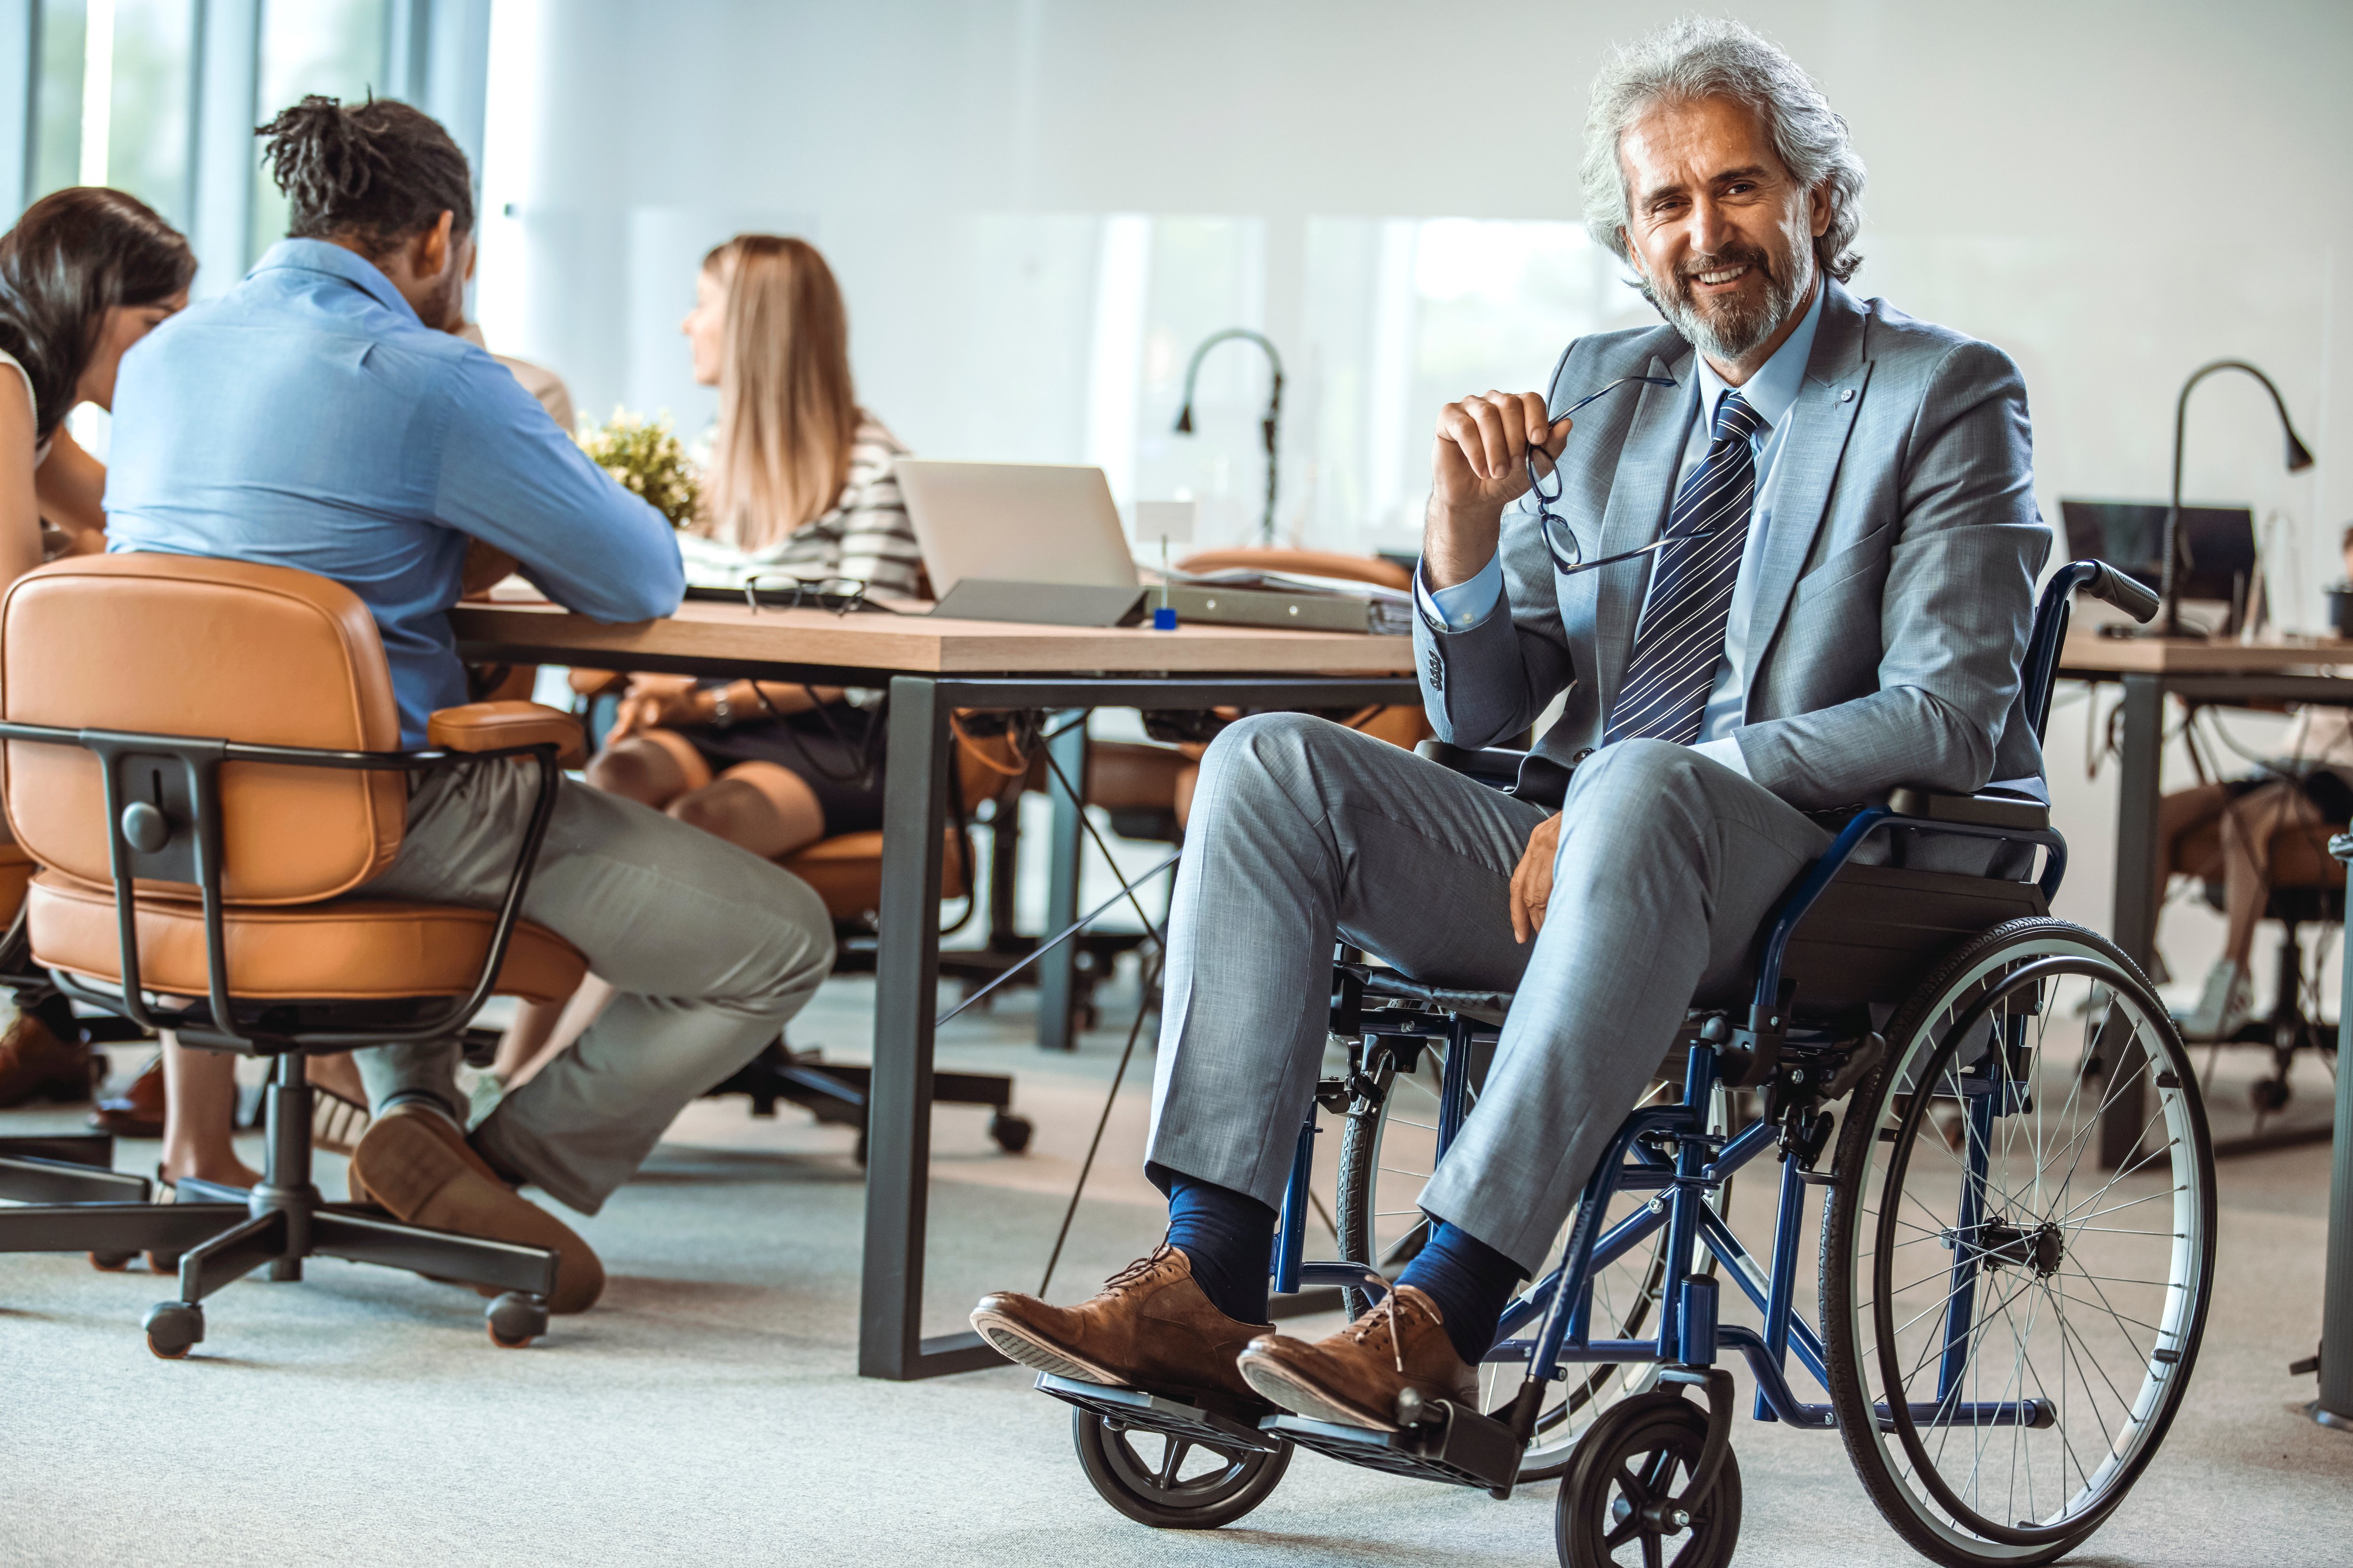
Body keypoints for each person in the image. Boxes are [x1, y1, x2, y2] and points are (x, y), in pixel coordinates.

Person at [970, 17, 2048, 1427]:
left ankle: (1441, 1310)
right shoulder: (1601, 386)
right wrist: (1460, 542)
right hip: (1579, 852)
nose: (1702, 231)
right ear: (1629, 242)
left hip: (1813, 874)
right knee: (1262, 765)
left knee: (1643, 784)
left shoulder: (1943, 391)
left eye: (1734, 187)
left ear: (1817, 200)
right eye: (1665, 204)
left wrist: (1642, 783)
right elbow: (1479, 712)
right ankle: (1208, 1275)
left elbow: (1952, 709)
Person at [102, 95, 835, 1313]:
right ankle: (500, 1160)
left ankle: (416, 1122)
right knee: (779, 940)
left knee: (412, 800)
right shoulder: (438, 377)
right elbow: (641, 575)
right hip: (369, 817)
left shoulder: (161, 359)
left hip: (159, 832)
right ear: (438, 241)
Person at [492, 235, 914, 1087]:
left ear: (757, 327)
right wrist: (662, 690)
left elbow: (862, 661)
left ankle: (545, 1091)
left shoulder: (876, 469)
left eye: (703, 304)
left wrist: (700, 705)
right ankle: (503, 1070)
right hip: (709, 715)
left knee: (700, 826)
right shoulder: (698, 459)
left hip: (827, 737)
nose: (688, 324)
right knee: (606, 797)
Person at [0, 188, 192, 1112]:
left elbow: (121, 522)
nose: (170, 353)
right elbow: (15, 607)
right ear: (89, 298)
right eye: (155, 323)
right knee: (181, 791)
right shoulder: (2, 377)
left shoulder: (31, 394)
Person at [2157, 525, 2353, 1040]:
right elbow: (2286, 698)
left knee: (2245, 821)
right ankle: (2131, 965)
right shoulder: (2329, 643)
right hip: (2290, 762)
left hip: (2341, 775)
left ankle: (2232, 977)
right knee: (2159, 812)